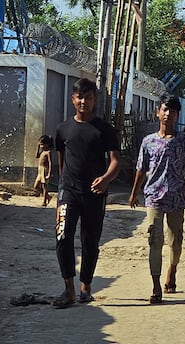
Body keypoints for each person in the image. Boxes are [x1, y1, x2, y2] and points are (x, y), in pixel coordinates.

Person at [53, 78, 120, 308]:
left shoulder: (104, 130)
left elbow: (114, 162)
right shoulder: (62, 129)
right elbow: (61, 162)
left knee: (90, 242)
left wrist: (105, 179)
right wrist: (63, 186)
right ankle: (68, 289)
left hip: (94, 194)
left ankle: (85, 287)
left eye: (88, 97)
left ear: (94, 100)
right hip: (68, 192)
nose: (84, 101)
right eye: (80, 97)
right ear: (73, 99)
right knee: (63, 238)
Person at [129, 93, 185, 304]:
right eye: (165, 110)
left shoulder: (184, 140)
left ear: (177, 115)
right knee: (154, 241)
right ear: (158, 112)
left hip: (177, 197)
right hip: (154, 197)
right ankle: (156, 285)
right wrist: (134, 192)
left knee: (175, 242)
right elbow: (141, 169)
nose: (168, 114)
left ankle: (172, 270)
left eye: (172, 111)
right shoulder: (148, 141)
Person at [34, 135, 53, 206]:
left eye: (42, 144)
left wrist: (49, 173)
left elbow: (50, 163)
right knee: (36, 186)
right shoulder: (42, 152)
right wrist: (38, 147)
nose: (41, 146)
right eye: (40, 145)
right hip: (40, 169)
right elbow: (36, 156)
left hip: (44, 169)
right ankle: (48, 196)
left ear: (47, 144)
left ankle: (44, 201)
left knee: (44, 186)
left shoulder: (48, 152)